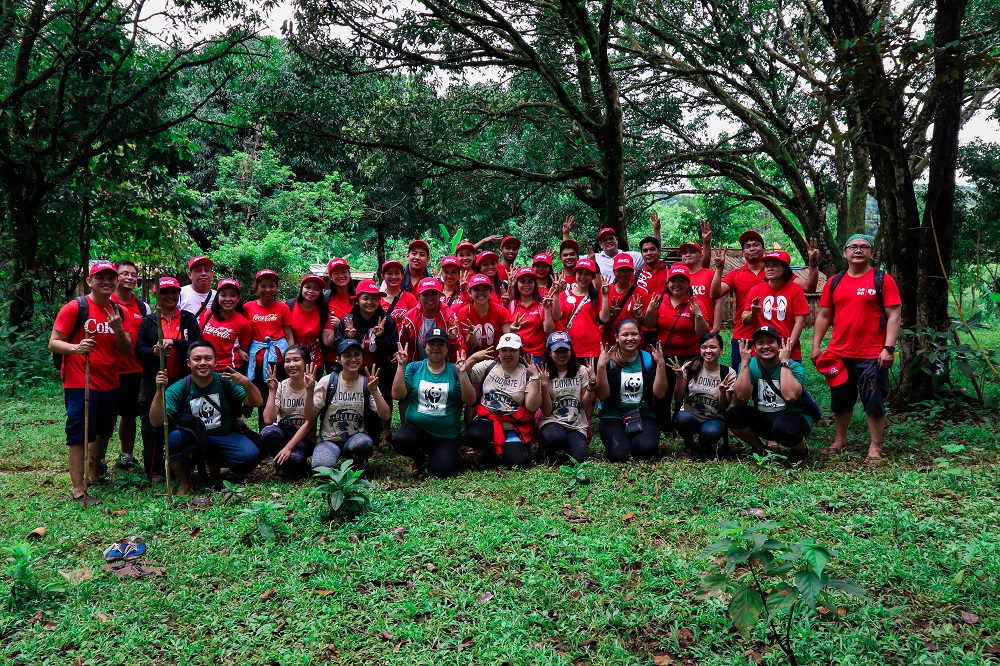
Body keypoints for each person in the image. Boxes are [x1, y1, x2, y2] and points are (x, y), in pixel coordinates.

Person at [810, 234, 901, 463]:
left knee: (873, 401)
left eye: (864, 247)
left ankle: (875, 446)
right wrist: (816, 345)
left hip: (872, 354)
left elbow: (894, 315)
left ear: (871, 253)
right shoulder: (834, 281)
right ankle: (840, 440)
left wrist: (888, 347)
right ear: (845, 252)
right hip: (838, 354)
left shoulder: (882, 279)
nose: (858, 250)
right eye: (853, 247)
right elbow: (823, 314)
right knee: (840, 400)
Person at [49, 261, 132, 505]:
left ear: (116, 281)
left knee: (104, 430)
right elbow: (54, 342)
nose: (106, 282)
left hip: (110, 379)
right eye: (100, 277)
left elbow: (125, 348)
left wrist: (117, 328)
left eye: (111, 278)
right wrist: (76, 348)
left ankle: (94, 473)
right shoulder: (76, 307)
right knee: (79, 433)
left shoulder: (118, 311)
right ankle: (78, 488)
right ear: (90, 280)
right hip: (79, 380)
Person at [150, 340, 263, 494]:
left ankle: (215, 464)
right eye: (197, 359)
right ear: (188, 363)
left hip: (222, 434)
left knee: (250, 455)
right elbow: (156, 421)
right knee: (173, 439)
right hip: (193, 438)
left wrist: (247, 383)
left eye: (208, 359)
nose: (203, 363)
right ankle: (185, 480)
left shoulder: (225, 381)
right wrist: (158, 391)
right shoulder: (179, 388)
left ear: (216, 362)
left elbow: (257, 402)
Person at [710, 229, 819, 370]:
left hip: (772, 337)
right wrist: (719, 269)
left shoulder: (777, 271)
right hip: (743, 335)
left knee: (775, 377)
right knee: (742, 376)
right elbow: (714, 294)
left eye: (756, 245)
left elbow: (809, 287)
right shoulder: (735, 274)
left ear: (764, 249)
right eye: (747, 246)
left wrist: (813, 263)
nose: (752, 248)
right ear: (742, 253)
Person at [135, 276, 202, 481]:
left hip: (182, 380)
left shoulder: (188, 319)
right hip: (154, 380)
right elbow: (139, 350)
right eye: (165, 292)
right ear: (157, 294)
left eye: (174, 292)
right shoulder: (149, 321)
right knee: (151, 424)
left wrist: (174, 341)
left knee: (182, 422)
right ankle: (154, 470)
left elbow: (196, 345)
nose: (170, 296)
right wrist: (154, 352)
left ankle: (181, 466)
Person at [391, 331, 478, 477]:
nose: (436, 348)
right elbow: (397, 395)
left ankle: (441, 452)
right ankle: (419, 457)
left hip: (445, 434)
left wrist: (463, 375)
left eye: (441, 344)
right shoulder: (414, 368)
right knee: (400, 440)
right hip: (417, 429)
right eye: (432, 344)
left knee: (443, 470)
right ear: (425, 346)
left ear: (447, 347)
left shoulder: (455, 371)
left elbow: (470, 400)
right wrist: (401, 366)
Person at [727, 327, 813, 461]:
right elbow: (741, 396)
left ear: (779, 345)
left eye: (771, 341)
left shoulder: (794, 366)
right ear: (754, 347)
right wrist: (744, 364)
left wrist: (785, 362)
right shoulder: (750, 364)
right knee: (733, 415)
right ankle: (760, 449)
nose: (766, 346)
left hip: (794, 417)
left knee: (782, 428)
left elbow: (791, 396)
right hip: (765, 417)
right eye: (760, 342)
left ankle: (802, 450)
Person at [305, 339, 391, 469]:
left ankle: (356, 466)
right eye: (347, 355)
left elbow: (386, 415)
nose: (353, 359)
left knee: (363, 444)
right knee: (320, 468)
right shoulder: (328, 381)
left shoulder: (367, 383)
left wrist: (374, 391)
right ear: (338, 359)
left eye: (357, 354)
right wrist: (309, 390)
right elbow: (310, 416)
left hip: (356, 438)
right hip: (329, 440)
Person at [334, 279, 398, 447]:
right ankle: (353, 435)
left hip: (381, 371)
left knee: (380, 402)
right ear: (357, 300)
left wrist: (382, 337)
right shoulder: (347, 322)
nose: (370, 302)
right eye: (365, 298)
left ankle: (377, 441)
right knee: (358, 404)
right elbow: (338, 347)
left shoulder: (387, 321)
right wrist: (350, 337)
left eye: (374, 298)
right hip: (356, 370)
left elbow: (393, 349)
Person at [595, 319, 668, 463]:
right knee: (619, 456)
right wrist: (601, 368)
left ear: (640, 336)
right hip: (613, 414)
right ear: (616, 337)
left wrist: (660, 364)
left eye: (634, 334)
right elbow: (603, 395)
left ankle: (635, 437)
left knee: (646, 450)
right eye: (625, 335)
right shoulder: (608, 360)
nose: (630, 338)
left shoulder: (648, 358)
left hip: (643, 413)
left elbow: (659, 394)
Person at [465, 333, 542, 467]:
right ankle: (489, 449)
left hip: (514, 423)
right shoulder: (489, 366)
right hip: (488, 418)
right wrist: (473, 358)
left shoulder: (527, 373)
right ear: (498, 352)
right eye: (504, 350)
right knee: (474, 436)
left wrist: (535, 378)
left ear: (520, 352)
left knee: (517, 462)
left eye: (513, 350)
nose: (508, 354)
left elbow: (532, 406)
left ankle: (510, 446)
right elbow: (461, 371)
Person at [670, 333, 736, 459]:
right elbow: (678, 398)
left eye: (713, 347)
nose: (708, 351)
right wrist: (679, 378)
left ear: (721, 350)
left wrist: (722, 391)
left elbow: (724, 406)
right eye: (704, 347)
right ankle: (688, 443)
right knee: (683, 418)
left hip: (713, 418)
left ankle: (704, 442)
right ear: (700, 349)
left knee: (711, 433)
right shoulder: (690, 367)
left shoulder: (727, 373)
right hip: (690, 416)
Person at [111, 260, 150, 468]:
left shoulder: (143, 307)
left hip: (136, 369)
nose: (129, 277)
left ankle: (126, 455)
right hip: (109, 369)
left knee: (129, 415)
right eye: (124, 273)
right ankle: (96, 460)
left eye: (133, 274)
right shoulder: (104, 302)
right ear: (115, 277)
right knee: (105, 417)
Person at [243, 269, 294, 428]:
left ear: (277, 288)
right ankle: (266, 436)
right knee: (264, 400)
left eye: (271, 286)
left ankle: (285, 433)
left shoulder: (283, 308)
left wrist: (292, 358)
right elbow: (243, 333)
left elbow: (289, 336)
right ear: (256, 288)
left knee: (282, 397)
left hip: (278, 360)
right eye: (263, 286)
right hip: (258, 363)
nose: (267, 290)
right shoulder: (248, 307)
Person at [260, 344, 317, 477]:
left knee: (294, 460)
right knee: (268, 433)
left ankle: (293, 464)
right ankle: (282, 463)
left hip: (305, 439)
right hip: (283, 435)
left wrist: (288, 448)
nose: (291, 364)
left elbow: (309, 421)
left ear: (306, 363)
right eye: (287, 361)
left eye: (296, 360)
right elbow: (268, 419)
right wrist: (272, 390)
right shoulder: (281, 386)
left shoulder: (315, 387)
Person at [537, 332, 595, 463]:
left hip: (576, 424)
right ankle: (547, 451)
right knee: (555, 438)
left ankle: (568, 448)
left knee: (579, 459)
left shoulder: (581, 371)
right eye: (557, 351)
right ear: (550, 352)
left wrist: (592, 383)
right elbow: (546, 411)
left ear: (571, 350)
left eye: (565, 350)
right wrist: (544, 386)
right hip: (552, 420)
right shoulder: (544, 374)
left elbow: (585, 406)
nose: (562, 355)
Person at [742, 251, 810, 361]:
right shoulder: (756, 290)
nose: (770, 268)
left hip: (788, 350)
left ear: (784, 268)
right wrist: (753, 313)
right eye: (767, 265)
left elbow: (800, 322)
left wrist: (787, 348)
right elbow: (745, 320)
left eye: (775, 265)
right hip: (763, 350)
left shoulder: (795, 290)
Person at [398, 277, 463, 363]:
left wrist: (453, 340)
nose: (430, 298)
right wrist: (405, 336)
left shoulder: (450, 316)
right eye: (426, 294)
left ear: (439, 295)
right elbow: (406, 348)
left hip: (444, 367)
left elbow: (456, 348)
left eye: (434, 294)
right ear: (418, 296)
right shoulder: (410, 317)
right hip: (417, 366)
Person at [552, 258, 605, 361]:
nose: (583, 277)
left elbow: (604, 319)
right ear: (575, 275)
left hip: (592, 348)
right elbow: (557, 316)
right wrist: (556, 293)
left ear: (593, 277)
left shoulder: (597, 296)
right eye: (580, 273)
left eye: (587, 274)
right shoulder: (564, 295)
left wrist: (605, 296)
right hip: (569, 347)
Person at [678, 222, 723, 332]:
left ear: (701, 256)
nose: (688, 254)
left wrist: (716, 327)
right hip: (684, 328)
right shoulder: (678, 277)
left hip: (707, 328)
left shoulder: (710, 274)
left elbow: (718, 302)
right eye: (684, 253)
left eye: (692, 252)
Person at [199, 278, 251, 373]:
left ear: (238, 299)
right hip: (206, 366)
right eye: (223, 295)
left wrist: (239, 351)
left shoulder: (243, 323)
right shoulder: (209, 314)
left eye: (232, 295)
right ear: (217, 297)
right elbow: (199, 338)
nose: (228, 299)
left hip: (229, 369)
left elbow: (244, 349)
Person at [457, 273, 512, 353]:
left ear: (491, 291)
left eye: (485, 289)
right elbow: (471, 347)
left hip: (496, 360)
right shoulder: (464, 313)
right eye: (476, 289)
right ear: (469, 293)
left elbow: (508, 337)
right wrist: (473, 335)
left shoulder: (500, 310)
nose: (481, 292)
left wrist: (513, 332)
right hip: (473, 360)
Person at [600, 254, 648, 345]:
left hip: (633, 344)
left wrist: (639, 315)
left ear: (632, 272)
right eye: (619, 270)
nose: (623, 274)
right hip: (609, 342)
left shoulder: (641, 293)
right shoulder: (605, 291)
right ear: (614, 271)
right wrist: (613, 315)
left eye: (627, 270)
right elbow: (603, 320)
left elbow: (648, 324)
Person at [508, 266, 552, 363]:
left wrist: (547, 308)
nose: (526, 285)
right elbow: (508, 331)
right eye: (522, 281)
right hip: (516, 355)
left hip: (537, 356)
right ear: (517, 284)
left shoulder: (541, 304)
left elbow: (549, 330)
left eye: (530, 281)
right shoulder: (512, 305)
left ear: (535, 284)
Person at [593, 215, 659, 279]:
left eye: (611, 238)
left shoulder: (632, 256)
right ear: (600, 244)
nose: (609, 241)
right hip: (605, 290)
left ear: (616, 240)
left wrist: (656, 230)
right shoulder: (594, 258)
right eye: (605, 240)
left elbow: (655, 255)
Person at [288, 274, 328, 370]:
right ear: (302, 288)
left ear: (320, 292)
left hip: (315, 363)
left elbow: (327, 340)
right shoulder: (289, 306)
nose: (311, 291)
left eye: (316, 289)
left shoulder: (323, 312)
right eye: (308, 287)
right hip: (292, 363)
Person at [322, 258, 356, 372]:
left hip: (355, 356)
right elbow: (327, 341)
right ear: (330, 277)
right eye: (336, 273)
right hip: (333, 358)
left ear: (349, 274)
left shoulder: (358, 298)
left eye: (344, 272)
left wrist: (340, 324)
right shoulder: (327, 298)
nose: (341, 275)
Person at [380, 259, 419, 328]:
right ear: (383, 276)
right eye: (389, 273)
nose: (393, 277)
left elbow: (415, 322)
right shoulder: (377, 298)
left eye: (397, 273)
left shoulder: (410, 298)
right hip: (383, 338)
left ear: (402, 276)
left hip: (404, 338)